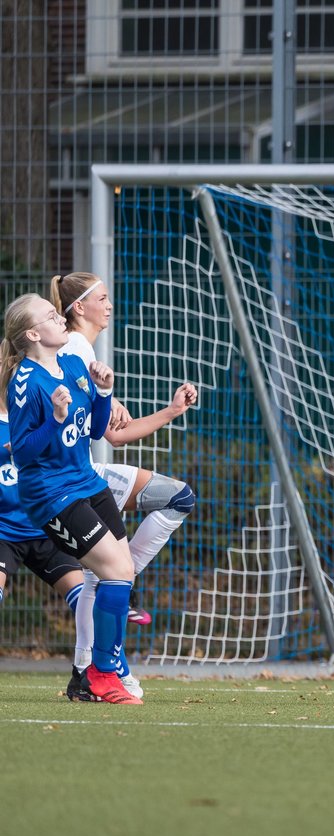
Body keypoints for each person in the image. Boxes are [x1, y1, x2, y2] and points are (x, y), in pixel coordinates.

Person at [51, 272, 198, 698]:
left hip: (86, 470)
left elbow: (113, 433)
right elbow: (96, 427)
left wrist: (170, 412)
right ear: (79, 307)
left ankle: (115, 593)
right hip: (74, 477)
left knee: (106, 573)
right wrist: (99, 394)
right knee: (176, 499)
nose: (109, 304)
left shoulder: (84, 352)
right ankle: (115, 602)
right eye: (102, 297)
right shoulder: (75, 347)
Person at [2, 293, 140, 703]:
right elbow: (23, 452)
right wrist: (56, 419)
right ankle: (102, 674)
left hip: (86, 483)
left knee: (123, 571)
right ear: (32, 333)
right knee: (114, 570)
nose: (59, 318)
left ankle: (93, 675)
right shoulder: (25, 381)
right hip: (50, 494)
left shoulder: (75, 365)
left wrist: (101, 392)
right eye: (49, 314)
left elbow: (96, 432)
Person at [0, 400, 99, 700]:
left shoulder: (45, 413)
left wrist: (111, 401)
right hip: (3, 531)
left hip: (46, 527)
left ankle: (85, 678)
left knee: (87, 600)